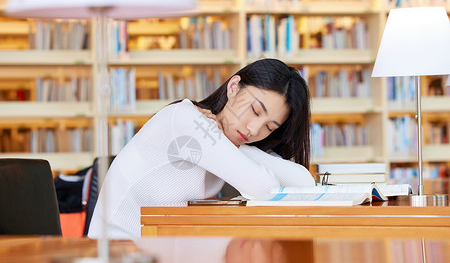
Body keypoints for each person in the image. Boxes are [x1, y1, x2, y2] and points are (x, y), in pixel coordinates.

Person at [88, 58, 315, 239]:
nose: (254, 129)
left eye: (270, 127)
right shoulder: (188, 120)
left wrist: (236, 146)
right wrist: (230, 144)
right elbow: (265, 188)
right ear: (234, 87)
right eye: (255, 110)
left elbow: (304, 182)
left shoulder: (227, 140)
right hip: (117, 254)